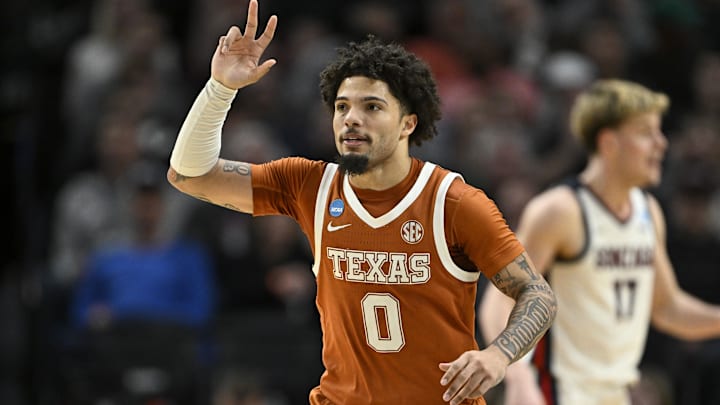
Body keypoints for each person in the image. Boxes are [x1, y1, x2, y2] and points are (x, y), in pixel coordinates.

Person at [166, 1, 557, 404]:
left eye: (371, 107)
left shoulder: (453, 202)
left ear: (408, 122)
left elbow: (538, 295)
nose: (351, 119)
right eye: (342, 107)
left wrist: (498, 354)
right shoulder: (309, 185)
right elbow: (188, 175)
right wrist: (220, 88)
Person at [479, 79, 720, 405]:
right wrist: (520, 379)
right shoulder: (560, 210)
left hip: (615, 394)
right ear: (609, 142)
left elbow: (666, 308)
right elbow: (499, 302)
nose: (661, 144)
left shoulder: (647, 211)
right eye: (646, 133)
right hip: (557, 394)